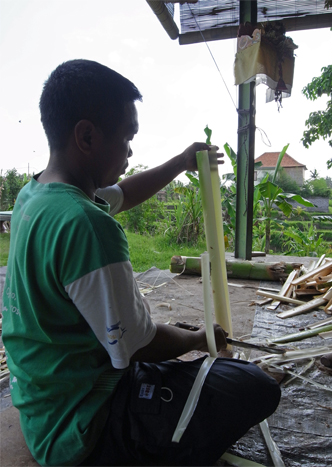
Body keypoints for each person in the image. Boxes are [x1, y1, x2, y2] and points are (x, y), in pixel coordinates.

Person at [2, 59, 280, 467]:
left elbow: (122, 194)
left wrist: (182, 161)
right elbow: (137, 347)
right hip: (83, 425)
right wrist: (198, 337)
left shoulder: (37, 197)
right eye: (127, 137)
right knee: (254, 386)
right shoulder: (87, 226)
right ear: (86, 136)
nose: (131, 150)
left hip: (43, 407)